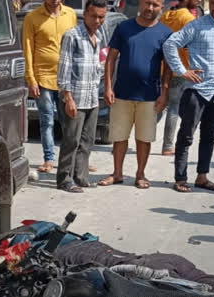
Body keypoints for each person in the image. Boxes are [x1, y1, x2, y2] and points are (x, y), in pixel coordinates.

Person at [163, 0, 214, 193]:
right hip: (197, 91)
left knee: (209, 136)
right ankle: (180, 178)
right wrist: (181, 71)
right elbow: (170, 44)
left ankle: (202, 176)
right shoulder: (197, 26)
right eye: (212, 3)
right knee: (186, 135)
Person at [98, 0, 171, 189]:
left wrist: (164, 92)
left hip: (149, 96)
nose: (150, 8)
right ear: (140, 4)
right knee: (119, 136)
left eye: (155, 5)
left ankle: (140, 174)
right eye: (147, 3)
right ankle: (117, 173)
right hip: (122, 93)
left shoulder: (165, 33)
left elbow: (168, 68)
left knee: (144, 138)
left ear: (161, 7)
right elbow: (111, 59)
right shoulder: (124, 27)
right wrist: (108, 86)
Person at [55, 0, 108, 193]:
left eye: (101, 17)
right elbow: (64, 69)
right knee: (71, 140)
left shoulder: (100, 35)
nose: (97, 20)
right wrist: (68, 98)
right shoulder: (72, 36)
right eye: (93, 16)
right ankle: (64, 179)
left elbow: (99, 66)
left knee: (87, 141)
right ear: (85, 14)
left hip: (92, 98)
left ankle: (81, 176)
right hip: (75, 98)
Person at [22, 0, 77, 174]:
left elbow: (75, 45)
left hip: (65, 79)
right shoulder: (32, 17)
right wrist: (30, 78)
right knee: (47, 121)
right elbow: (28, 49)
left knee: (69, 121)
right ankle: (49, 159)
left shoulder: (70, 14)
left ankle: (72, 159)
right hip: (43, 78)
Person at [159, 0, 199, 156]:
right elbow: (191, 47)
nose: (199, 1)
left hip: (163, 68)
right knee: (174, 108)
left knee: (160, 105)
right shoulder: (188, 19)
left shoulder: (166, 16)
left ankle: (142, 139)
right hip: (180, 70)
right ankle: (168, 146)